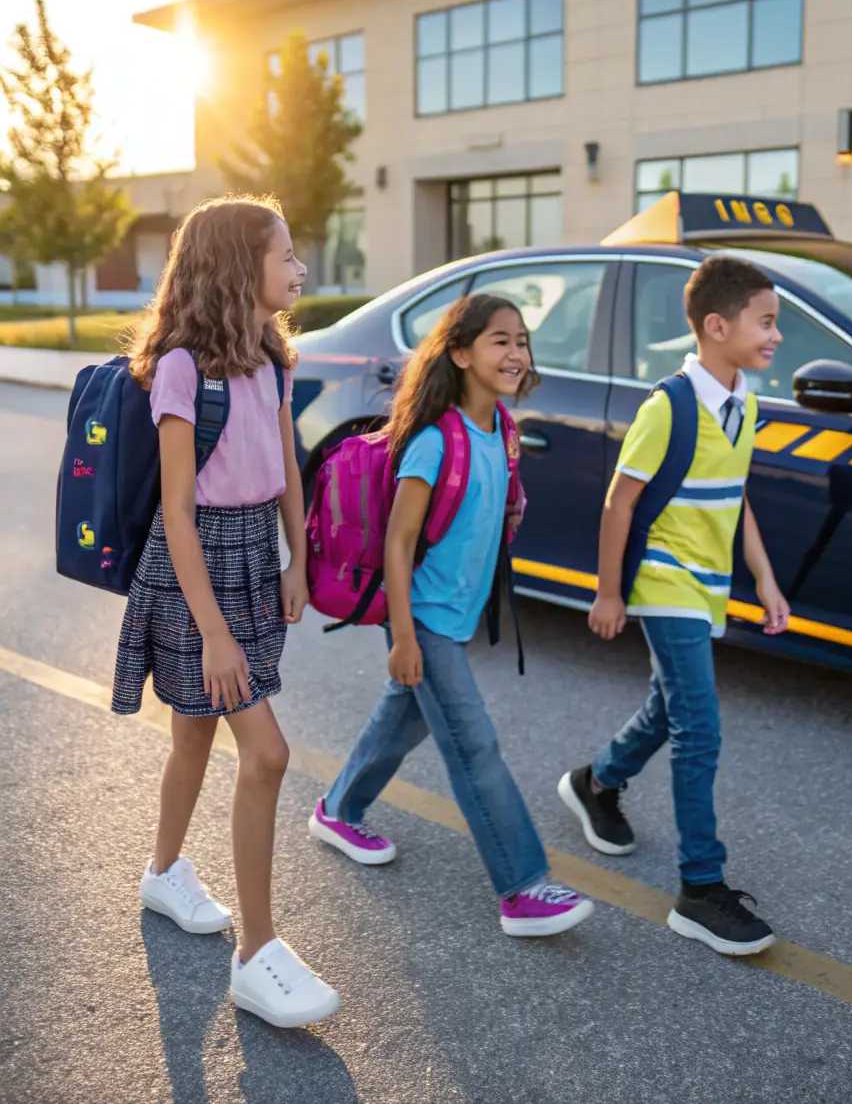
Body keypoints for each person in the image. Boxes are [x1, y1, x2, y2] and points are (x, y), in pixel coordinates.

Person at [114, 195, 340, 1029]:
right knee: (268, 752)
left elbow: (286, 461)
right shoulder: (180, 366)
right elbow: (176, 510)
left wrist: (298, 555)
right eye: (286, 255)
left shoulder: (274, 355)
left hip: (253, 553)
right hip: (193, 567)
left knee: (196, 733)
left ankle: (164, 870)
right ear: (241, 266)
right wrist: (211, 629)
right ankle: (258, 955)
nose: (299, 268)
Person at [309, 294, 594, 937]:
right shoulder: (435, 442)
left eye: (521, 340)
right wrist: (403, 637)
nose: (516, 352)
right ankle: (522, 887)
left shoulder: (502, 432)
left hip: (456, 612)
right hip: (425, 615)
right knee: (473, 742)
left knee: (404, 719)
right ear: (460, 353)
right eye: (500, 340)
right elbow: (398, 543)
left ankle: (338, 807)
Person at [558, 256, 789, 956]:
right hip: (663, 580)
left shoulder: (745, 403)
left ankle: (595, 780)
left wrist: (765, 580)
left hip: (707, 584)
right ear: (717, 326)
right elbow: (620, 501)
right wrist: (607, 591)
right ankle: (700, 887)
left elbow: (736, 499)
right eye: (767, 320)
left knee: (670, 703)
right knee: (699, 724)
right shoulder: (669, 406)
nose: (777, 334)